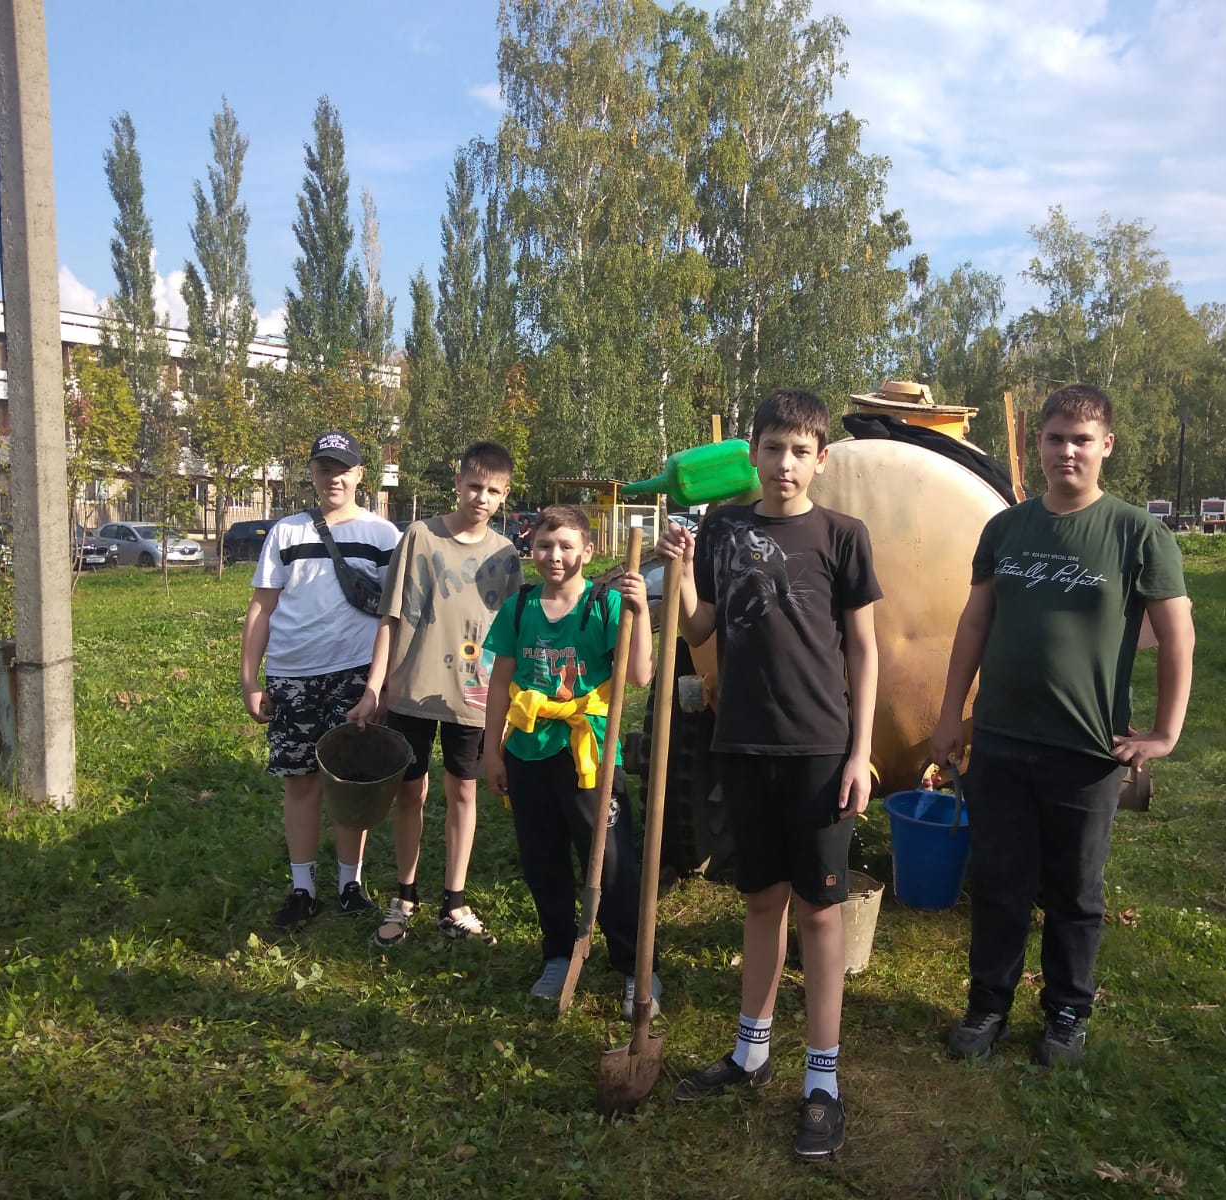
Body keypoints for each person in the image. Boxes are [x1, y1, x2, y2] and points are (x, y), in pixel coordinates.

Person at [928, 383, 1195, 1067]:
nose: (1067, 451)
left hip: (1087, 748)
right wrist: (949, 714)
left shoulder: (1138, 534)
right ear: (1037, 445)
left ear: (1106, 446)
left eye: (1082, 439)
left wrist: (1165, 733)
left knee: (1075, 891)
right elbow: (975, 623)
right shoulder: (1006, 529)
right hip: (1002, 740)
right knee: (998, 882)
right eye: (1055, 438)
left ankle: (1067, 1014)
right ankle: (988, 1006)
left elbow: (1177, 634)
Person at [656, 389, 881, 1162]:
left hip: (819, 748)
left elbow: (864, 651)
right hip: (742, 744)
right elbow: (697, 628)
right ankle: (751, 1050)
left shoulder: (843, 537)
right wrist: (683, 573)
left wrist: (859, 751)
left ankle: (823, 1079)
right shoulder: (724, 528)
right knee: (760, 901)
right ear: (750, 453)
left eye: (798, 451)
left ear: (820, 459)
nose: (783, 464)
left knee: (820, 915)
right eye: (771, 448)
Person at [346, 442, 523, 949]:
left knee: (463, 791)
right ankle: (403, 896)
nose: (481, 498)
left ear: (504, 494)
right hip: (411, 694)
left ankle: (454, 900)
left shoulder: (505, 555)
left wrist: (508, 701)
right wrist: (374, 688)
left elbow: (511, 636)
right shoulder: (420, 537)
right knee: (411, 791)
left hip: (475, 696)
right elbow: (390, 617)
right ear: (457, 482)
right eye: (474, 486)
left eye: (492, 491)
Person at [480, 505, 656, 1015]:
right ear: (529, 549)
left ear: (587, 551)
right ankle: (557, 953)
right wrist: (494, 752)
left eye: (565, 546)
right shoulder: (519, 608)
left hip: (591, 755)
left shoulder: (602, 606)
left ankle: (634, 968)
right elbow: (499, 684)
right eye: (543, 546)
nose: (554, 556)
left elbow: (639, 675)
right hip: (528, 751)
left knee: (613, 862)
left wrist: (640, 612)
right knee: (542, 859)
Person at [240, 430, 401, 930]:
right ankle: (302, 888)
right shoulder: (284, 533)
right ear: (310, 473)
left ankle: (349, 884)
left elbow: (392, 619)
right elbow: (260, 610)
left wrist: (380, 685)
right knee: (301, 783)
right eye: (323, 468)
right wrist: (250, 679)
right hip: (292, 677)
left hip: (355, 675)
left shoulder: (383, 536)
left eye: (342, 468)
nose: (333, 477)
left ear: (359, 475)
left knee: (353, 782)